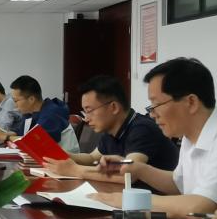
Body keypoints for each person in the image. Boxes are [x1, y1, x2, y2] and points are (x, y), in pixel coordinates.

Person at [92, 57, 217, 219]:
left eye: (156, 104)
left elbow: (199, 209)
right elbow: (179, 184)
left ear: (191, 102)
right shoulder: (190, 137)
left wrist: (130, 201)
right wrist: (139, 169)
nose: (152, 114)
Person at [44, 75, 178, 180]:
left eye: (89, 111)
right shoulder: (111, 130)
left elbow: (127, 175)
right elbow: (92, 158)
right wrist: (61, 155)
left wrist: (75, 170)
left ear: (113, 107)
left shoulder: (142, 129)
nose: (86, 118)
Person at [0, 75, 75, 152]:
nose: (15, 105)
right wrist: (1, 134)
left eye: (16, 101)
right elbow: (20, 132)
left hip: (65, 158)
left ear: (31, 99)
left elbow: (35, 143)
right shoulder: (29, 113)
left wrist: (6, 137)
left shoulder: (51, 114)